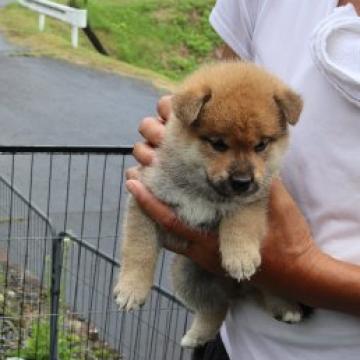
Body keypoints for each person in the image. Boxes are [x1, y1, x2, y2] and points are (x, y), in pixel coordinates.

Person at [126, 1, 360, 359]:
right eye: (219, 145)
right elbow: (224, 80)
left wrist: (303, 270)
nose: (242, 169)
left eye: (261, 146)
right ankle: (212, 313)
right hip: (235, 345)